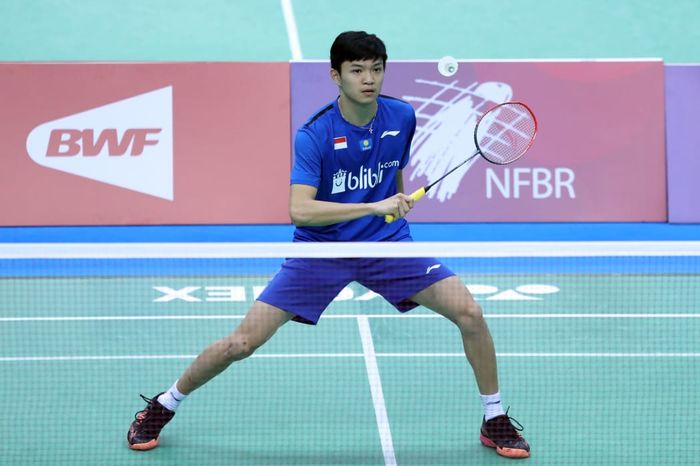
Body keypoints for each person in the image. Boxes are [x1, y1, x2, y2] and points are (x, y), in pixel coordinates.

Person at [127, 31, 530, 459]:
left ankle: (494, 417)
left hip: (387, 245)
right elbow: (300, 210)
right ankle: (163, 404)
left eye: (376, 69)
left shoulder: (401, 116)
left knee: (470, 312)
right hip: (321, 252)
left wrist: (395, 202)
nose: (368, 78)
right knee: (241, 343)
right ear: (336, 75)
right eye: (357, 70)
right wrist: (372, 206)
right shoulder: (314, 135)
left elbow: (392, 170)